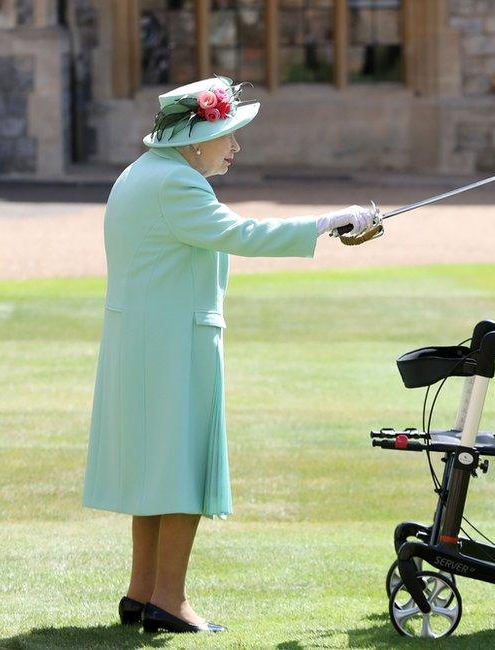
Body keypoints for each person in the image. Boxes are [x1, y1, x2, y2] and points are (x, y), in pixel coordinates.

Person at [82, 77, 376, 634]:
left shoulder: (142, 173)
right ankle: (168, 600)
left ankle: (142, 592)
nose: (234, 147)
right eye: (227, 135)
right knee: (183, 468)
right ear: (196, 139)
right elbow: (241, 234)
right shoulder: (176, 183)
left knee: (156, 470)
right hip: (173, 345)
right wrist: (327, 222)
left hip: (145, 343)